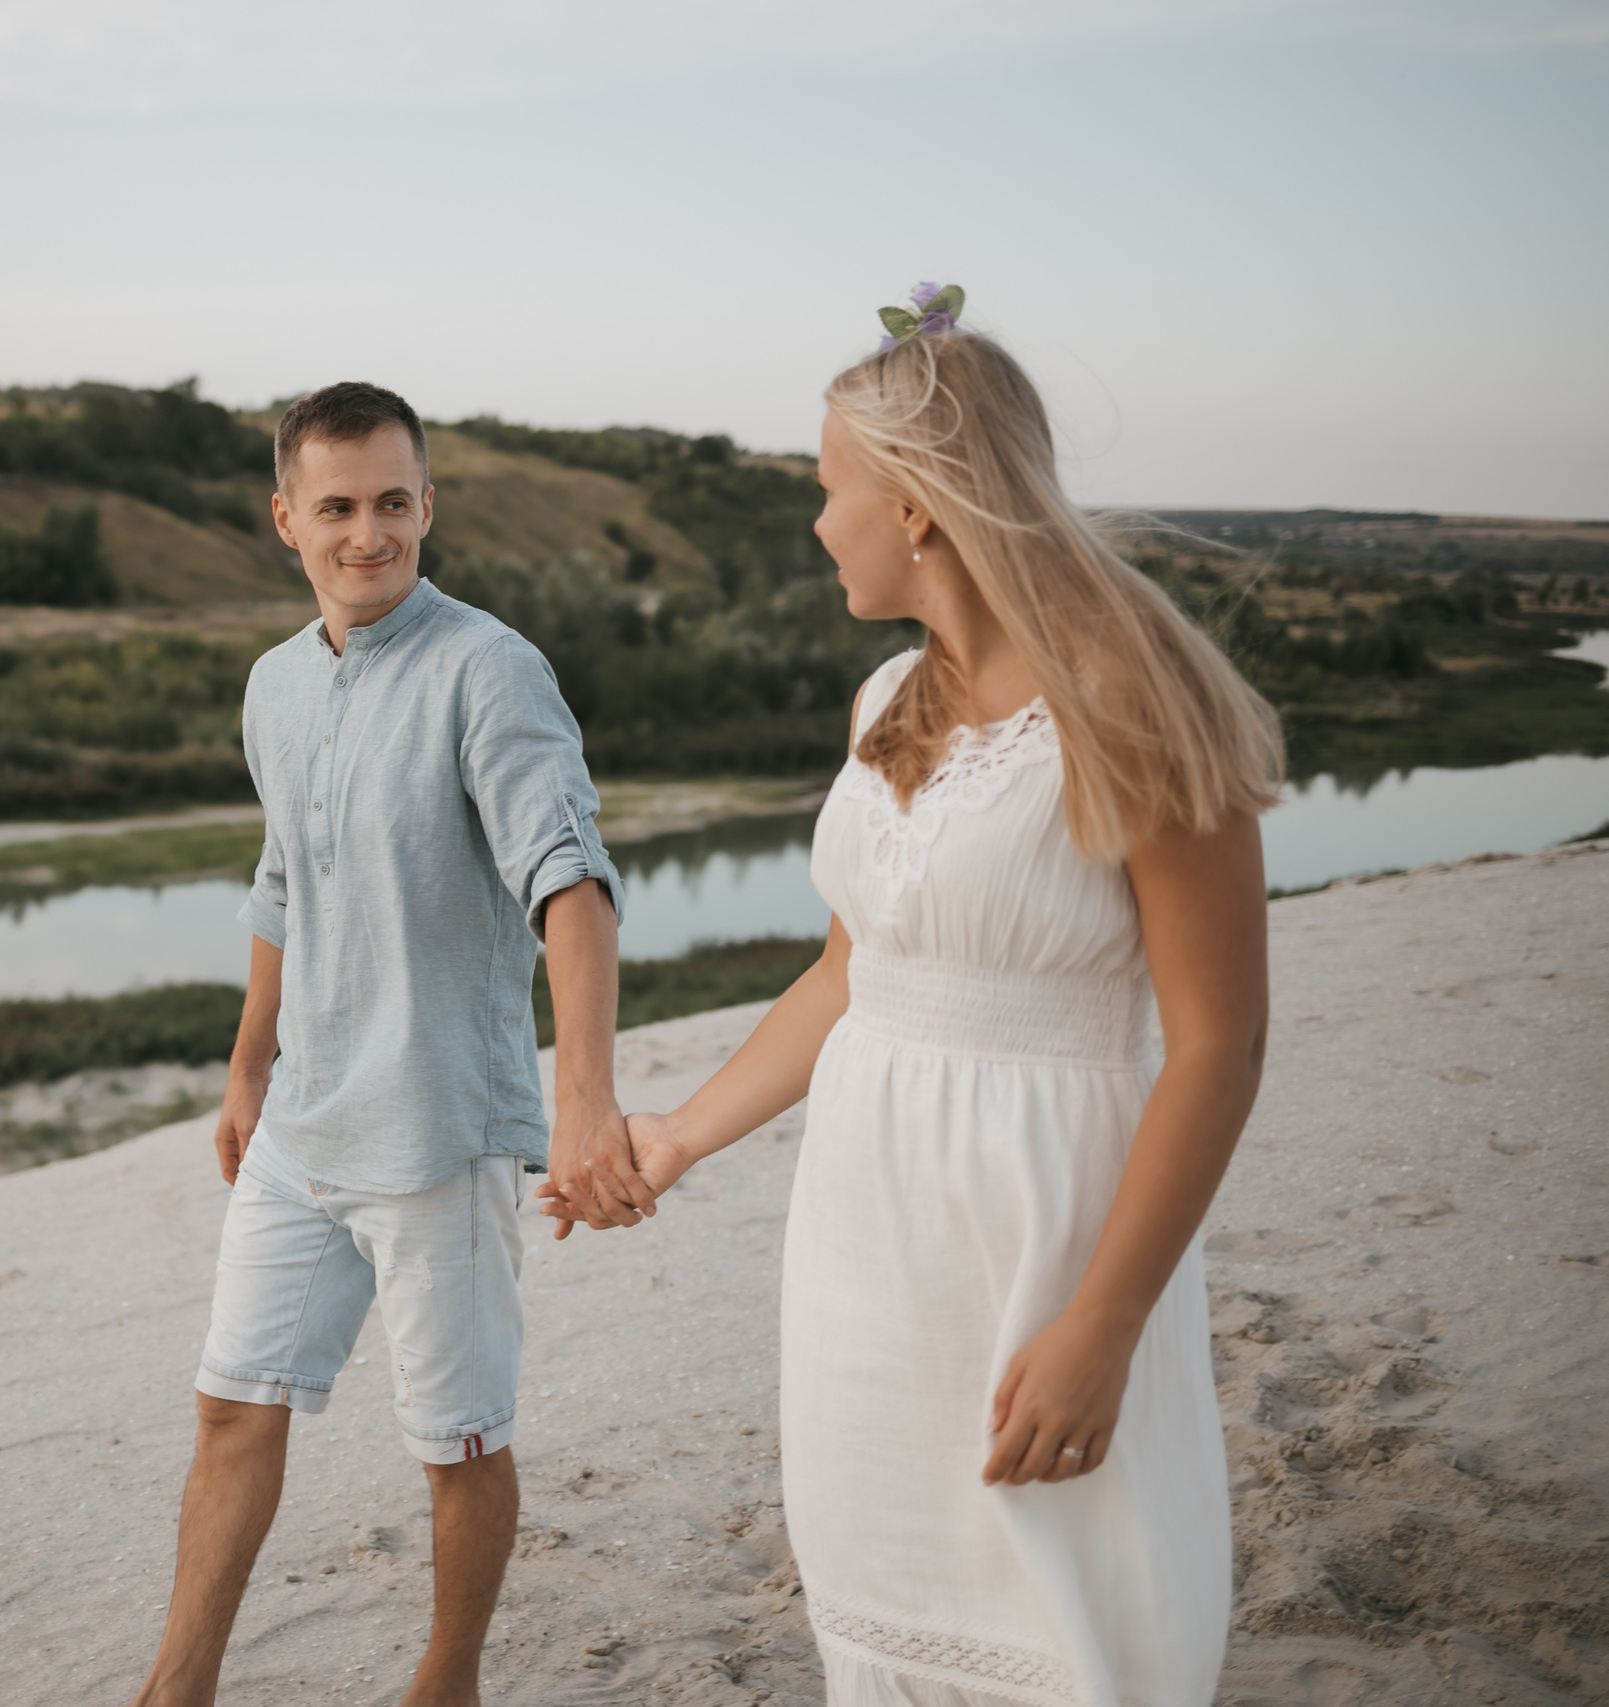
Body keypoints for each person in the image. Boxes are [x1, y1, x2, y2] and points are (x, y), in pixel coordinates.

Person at [544, 305, 1280, 1705]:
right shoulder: (890, 696)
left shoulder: (1131, 702)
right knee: (886, 1613)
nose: (820, 525)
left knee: (1068, 1609)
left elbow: (1220, 1047)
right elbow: (848, 976)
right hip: (866, 1243)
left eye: (830, 489)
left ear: (920, 507)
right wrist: (675, 1140)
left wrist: (1103, 1325)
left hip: (1045, 1234)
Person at [129, 381, 647, 1707]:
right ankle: (175, 1690)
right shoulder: (274, 685)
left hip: (438, 1132)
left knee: (455, 1446)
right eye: (340, 507)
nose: (371, 534)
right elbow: (281, 884)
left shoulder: (492, 669)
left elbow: (570, 883)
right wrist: (249, 1068)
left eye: (395, 503)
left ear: (429, 505)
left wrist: (584, 1096)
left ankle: (448, 1680)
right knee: (234, 1407)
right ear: (287, 519)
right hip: (304, 1132)